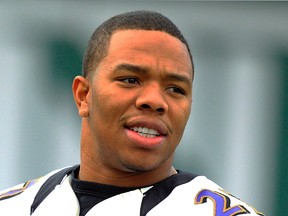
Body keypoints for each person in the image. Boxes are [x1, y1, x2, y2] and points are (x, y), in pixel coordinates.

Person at [0, 10, 264, 216]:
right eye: (130, 80)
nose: (155, 101)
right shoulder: (14, 207)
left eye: (175, 88)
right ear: (83, 95)